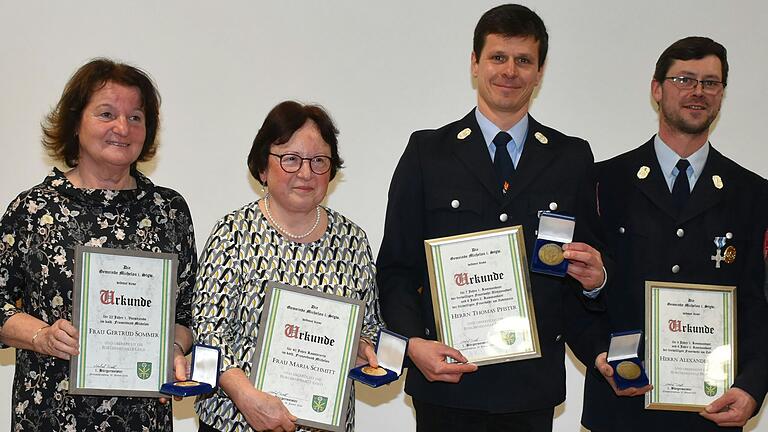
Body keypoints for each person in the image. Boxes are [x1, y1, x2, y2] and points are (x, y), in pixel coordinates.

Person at [376, 4, 610, 431]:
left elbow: (578, 277)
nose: (510, 71)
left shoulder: (571, 158)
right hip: (447, 382)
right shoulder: (427, 153)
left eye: (524, 60)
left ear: (540, 72)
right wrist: (413, 344)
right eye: (498, 57)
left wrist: (597, 285)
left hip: (530, 391)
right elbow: (395, 268)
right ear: (474, 64)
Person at [582, 36, 768, 431]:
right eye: (684, 79)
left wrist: (752, 387)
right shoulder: (604, 182)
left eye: (710, 83)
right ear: (657, 89)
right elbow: (576, 289)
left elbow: (760, 303)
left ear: (721, 95)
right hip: (621, 406)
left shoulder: (754, 194)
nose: (698, 92)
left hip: (713, 410)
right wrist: (599, 355)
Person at [0, 58, 197, 431]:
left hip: (143, 418)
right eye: (106, 113)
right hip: (51, 415)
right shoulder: (34, 209)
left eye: (136, 117)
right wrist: (42, 337)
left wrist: (171, 350)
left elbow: (185, 315)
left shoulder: (169, 211)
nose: (122, 128)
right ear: (76, 122)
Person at [192, 101, 384, 432]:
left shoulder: (352, 240)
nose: (306, 173)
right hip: (236, 422)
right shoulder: (233, 233)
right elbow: (208, 337)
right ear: (263, 168)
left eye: (319, 161)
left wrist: (363, 348)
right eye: (291, 159)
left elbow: (371, 324)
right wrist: (247, 397)